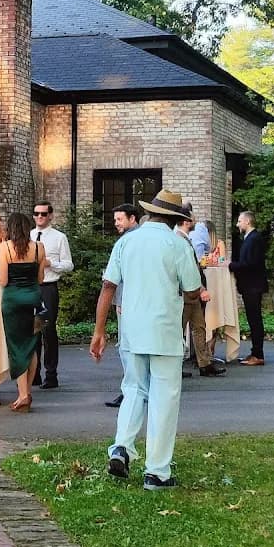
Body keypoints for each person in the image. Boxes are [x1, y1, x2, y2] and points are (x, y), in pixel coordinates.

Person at [90, 188, 202, 490]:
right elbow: (193, 289)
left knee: (133, 388)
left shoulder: (126, 242)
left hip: (132, 328)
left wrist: (99, 331)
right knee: (164, 398)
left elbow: (108, 288)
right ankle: (157, 471)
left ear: (150, 212)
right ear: (173, 219)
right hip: (164, 330)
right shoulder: (177, 244)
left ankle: (122, 447)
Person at [0, 212, 45, 412]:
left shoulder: (5, 247)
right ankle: (27, 394)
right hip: (35, 301)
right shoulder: (39, 248)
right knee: (31, 346)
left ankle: (23, 395)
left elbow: (4, 280)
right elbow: (41, 279)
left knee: (16, 348)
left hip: (13, 302)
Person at [174, 210, 225, 378]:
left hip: (192, 293)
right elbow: (187, 269)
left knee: (199, 327)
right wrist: (201, 289)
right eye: (193, 219)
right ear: (187, 222)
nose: (196, 222)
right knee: (179, 330)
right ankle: (175, 366)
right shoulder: (179, 239)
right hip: (186, 293)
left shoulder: (184, 238)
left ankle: (205, 363)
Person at [30, 201, 73, 389]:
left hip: (48, 286)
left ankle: (51, 374)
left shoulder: (59, 237)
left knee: (48, 331)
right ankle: (34, 373)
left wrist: (51, 263)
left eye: (43, 214)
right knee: (32, 332)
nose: (40, 217)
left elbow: (69, 264)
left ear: (50, 216)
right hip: (30, 287)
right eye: (37, 213)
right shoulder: (29, 236)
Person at [105, 203, 139, 409]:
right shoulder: (130, 239)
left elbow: (123, 277)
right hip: (128, 301)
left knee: (127, 348)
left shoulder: (129, 241)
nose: (116, 223)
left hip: (129, 302)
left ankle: (130, 392)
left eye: (120, 219)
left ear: (132, 218)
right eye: (115, 219)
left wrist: (121, 300)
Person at [229, 210, 268, 366]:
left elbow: (249, 264)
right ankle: (255, 352)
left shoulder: (254, 239)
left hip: (253, 286)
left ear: (247, 222)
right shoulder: (249, 239)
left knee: (255, 320)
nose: (237, 224)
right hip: (250, 286)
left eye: (239, 221)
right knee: (253, 320)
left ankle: (258, 354)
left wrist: (231, 265)